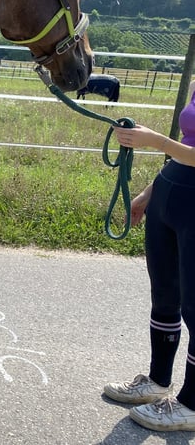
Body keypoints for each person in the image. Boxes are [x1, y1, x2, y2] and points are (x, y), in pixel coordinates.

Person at [103, 79, 195, 432]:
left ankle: (192, 403)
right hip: (172, 192)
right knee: (165, 296)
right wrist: (149, 191)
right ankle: (157, 382)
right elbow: (188, 143)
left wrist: (154, 141)